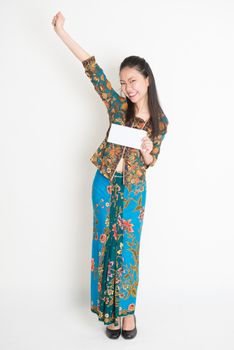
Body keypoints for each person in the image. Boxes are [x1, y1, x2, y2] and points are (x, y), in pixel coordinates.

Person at [52, 11, 169, 340]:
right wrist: (62, 32)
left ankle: (128, 312)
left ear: (147, 80)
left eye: (132, 81)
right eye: (123, 82)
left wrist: (147, 149)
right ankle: (109, 314)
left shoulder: (161, 122)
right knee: (103, 247)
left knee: (127, 250)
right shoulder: (117, 107)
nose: (127, 87)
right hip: (104, 183)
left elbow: (152, 160)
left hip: (133, 190)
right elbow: (91, 69)